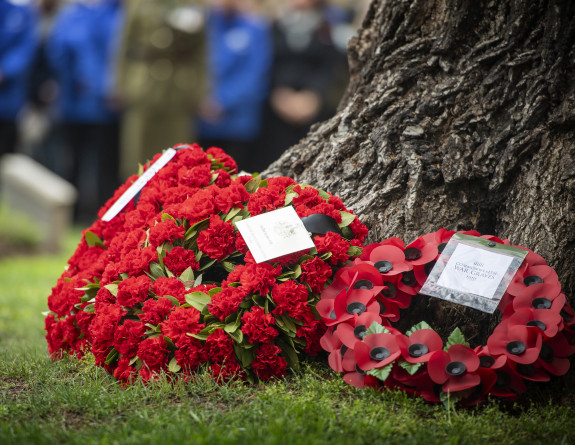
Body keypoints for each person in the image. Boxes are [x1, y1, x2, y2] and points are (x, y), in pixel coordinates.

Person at [46, 0, 122, 222]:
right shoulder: (73, 13)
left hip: (107, 107)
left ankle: (105, 216)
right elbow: (58, 49)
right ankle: (72, 213)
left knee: (105, 165)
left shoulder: (117, 12)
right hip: (75, 104)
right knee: (72, 161)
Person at [115, 0, 206, 179]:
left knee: (177, 153)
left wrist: (200, 91)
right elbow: (125, 44)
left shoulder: (192, 4)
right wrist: (120, 84)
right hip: (143, 84)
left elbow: (201, 51)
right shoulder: (138, 4)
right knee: (137, 154)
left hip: (179, 87)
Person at [255, 0, 341, 171]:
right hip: (275, 107)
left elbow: (329, 66)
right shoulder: (272, 26)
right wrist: (278, 93)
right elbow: (263, 63)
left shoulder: (327, 28)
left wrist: (314, 95)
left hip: (313, 108)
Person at [196, 0, 272, 172]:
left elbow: (255, 75)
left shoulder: (254, 28)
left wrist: (221, 101)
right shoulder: (201, 27)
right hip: (200, 120)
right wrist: (200, 99)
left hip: (238, 124)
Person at [0, 0, 38, 157]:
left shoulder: (21, 13)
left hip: (7, 100)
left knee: (6, 154)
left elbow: (26, 49)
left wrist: (5, 70)